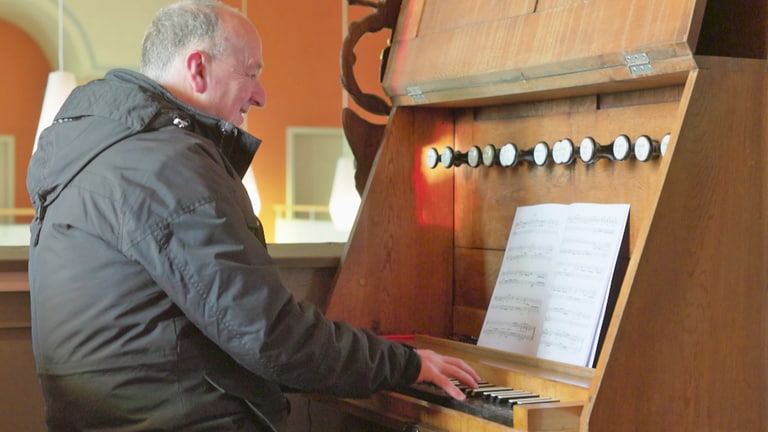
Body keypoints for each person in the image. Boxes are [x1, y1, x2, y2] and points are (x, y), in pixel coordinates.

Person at [26, 1, 480, 431]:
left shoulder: (109, 151)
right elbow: (270, 335)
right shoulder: (165, 166)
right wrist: (407, 364)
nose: (261, 96)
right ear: (198, 68)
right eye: (251, 73)